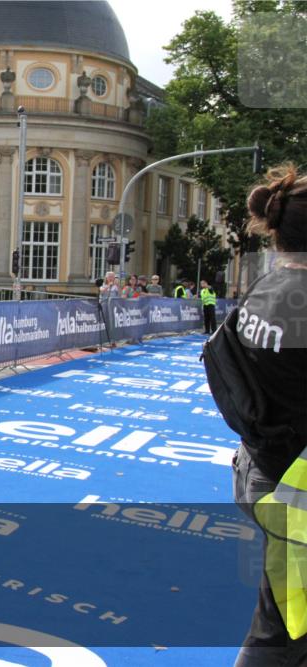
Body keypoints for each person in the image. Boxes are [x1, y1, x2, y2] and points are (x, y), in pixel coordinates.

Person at [222, 164, 307, 667]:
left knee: (280, 628)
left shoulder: (265, 289)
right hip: (293, 493)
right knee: (279, 638)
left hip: (262, 470)